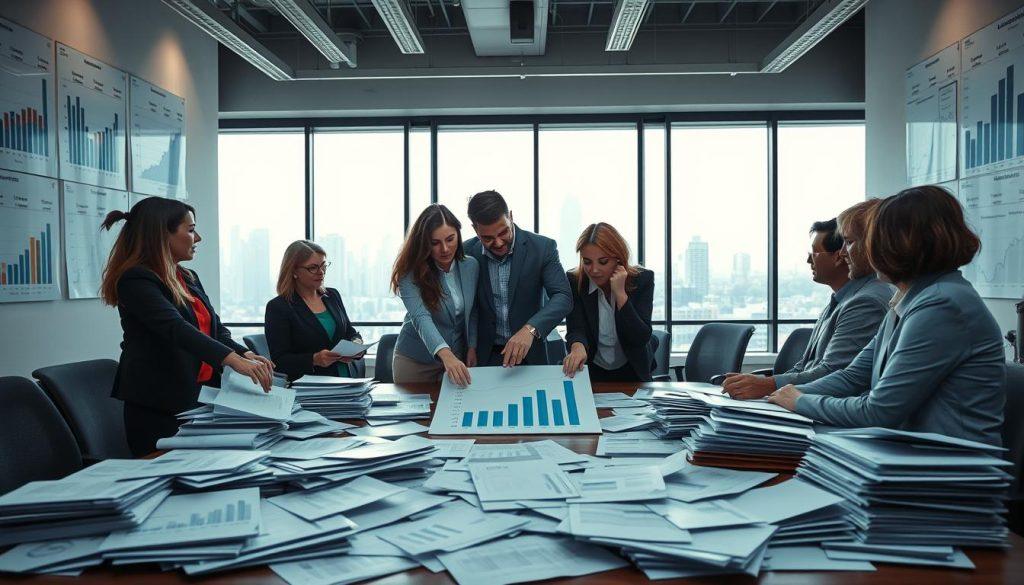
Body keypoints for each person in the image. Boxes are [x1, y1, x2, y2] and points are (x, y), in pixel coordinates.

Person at [767, 186, 1006, 445]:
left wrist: (799, 400)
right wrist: (782, 395)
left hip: (949, 471)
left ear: (901, 244)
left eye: (862, 240)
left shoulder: (942, 305)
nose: (846, 252)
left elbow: (879, 411)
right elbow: (853, 376)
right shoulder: (907, 301)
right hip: (912, 458)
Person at [100, 197, 274, 456]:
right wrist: (232, 361)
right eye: (191, 230)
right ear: (162, 234)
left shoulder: (187, 277)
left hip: (198, 399)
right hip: (159, 407)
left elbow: (216, 329)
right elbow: (176, 328)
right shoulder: (136, 280)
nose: (198, 238)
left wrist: (244, 353)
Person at [723, 211, 892, 399]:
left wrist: (767, 386)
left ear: (837, 257)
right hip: (811, 399)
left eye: (814, 252)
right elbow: (805, 365)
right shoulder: (840, 299)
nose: (808, 259)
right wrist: (762, 385)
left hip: (828, 408)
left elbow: (834, 372)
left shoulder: (865, 302)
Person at [463, 190, 573, 367]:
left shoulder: (542, 248)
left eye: (503, 232)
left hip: (531, 355)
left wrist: (531, 329)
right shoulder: (466, 254)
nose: (498, 243)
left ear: (511, 216)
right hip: (483, 358)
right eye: (488, 238)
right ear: (475, 229)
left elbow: (563, 297)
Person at [390, 204, 479, 386]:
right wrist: (446, 355)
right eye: (435, 243)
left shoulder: (471, 266)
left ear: (458, 235)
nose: (445, 249)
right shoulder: (410, 273)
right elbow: (420, 317)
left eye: (450, 239)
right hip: (415, 363)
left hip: (457, 361)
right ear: (424, 243)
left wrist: (472, 346)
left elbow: (473, 311)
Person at [561, 223, 655, 382]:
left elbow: (640, 337)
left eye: (603, 261)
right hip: (592, 371)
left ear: (618, 259)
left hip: (633, 372)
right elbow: (576, 327)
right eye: (587, 262)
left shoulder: (642, 280)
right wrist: (577, 346)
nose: (594, 270)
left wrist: (620, 294)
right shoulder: (575, 281)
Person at [264, 240, 365, 382]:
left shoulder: (332, 296)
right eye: (313, 267)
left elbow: (349, 331)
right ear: (294, 271)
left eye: (324, 265)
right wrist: (314, 359)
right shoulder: (278, 307)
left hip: (347, 381)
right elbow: (279, 361)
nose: (321, 272)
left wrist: (357, 343)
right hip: (311, 388)